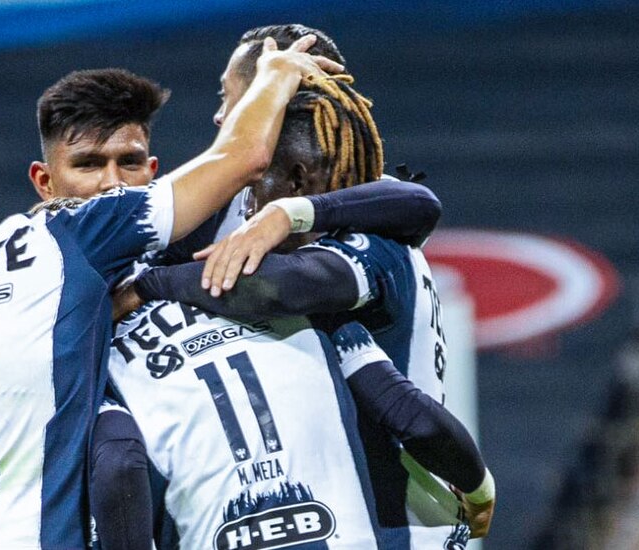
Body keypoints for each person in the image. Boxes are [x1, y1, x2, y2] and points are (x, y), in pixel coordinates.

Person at [0, 35, 336, 549]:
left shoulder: (118, 244)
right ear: (44, 185)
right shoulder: (50, 244)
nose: (111, 184)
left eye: (128, 164)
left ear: (152, 169)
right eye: (89, 165)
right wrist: (276, 75)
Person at [126, 24, 495, 548]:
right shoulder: (241, 206)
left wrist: (151, 285)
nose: (218, 113)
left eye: (230, 95)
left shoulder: (368, 235)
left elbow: (397, 401)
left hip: (391, 514)